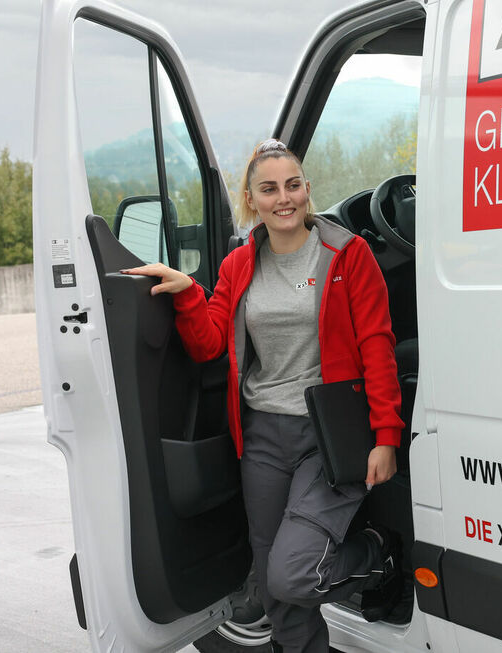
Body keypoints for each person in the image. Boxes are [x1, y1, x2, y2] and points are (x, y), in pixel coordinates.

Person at [123, 138, 404, 653]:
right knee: (275, 588)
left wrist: (386, 436)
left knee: (292, 574)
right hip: (262, 437)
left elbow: (377, 347)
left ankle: (376, 554)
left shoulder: (347, 254)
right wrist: (188, 291)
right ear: (252, 200)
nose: (284, 198)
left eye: (293, 185)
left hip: (329, 436)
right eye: (269, 189)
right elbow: (210, 344)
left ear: (307, 189)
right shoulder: (239, 264)